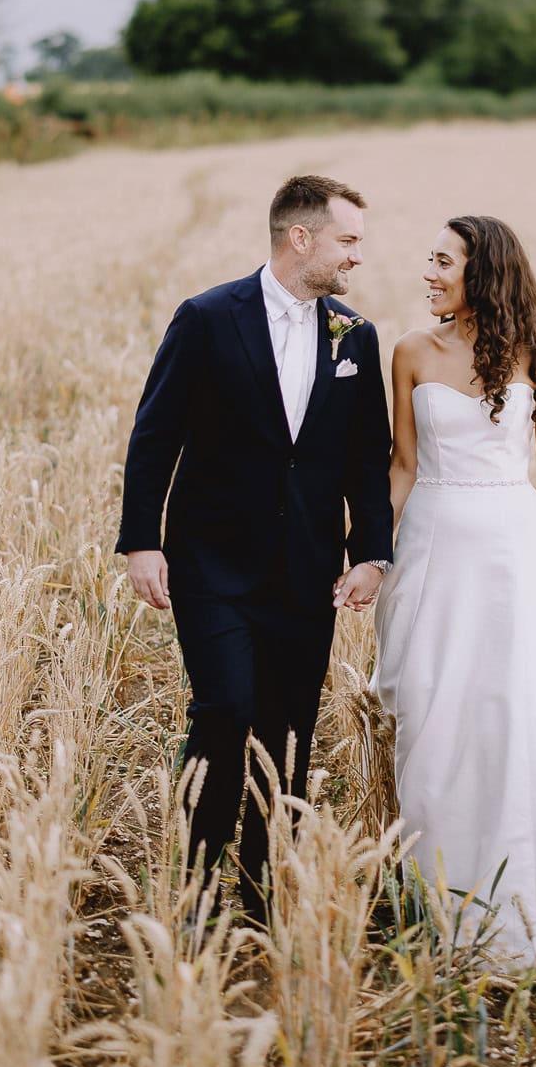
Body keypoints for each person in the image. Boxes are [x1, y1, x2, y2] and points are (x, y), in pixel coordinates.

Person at [117, 175, 393, 919]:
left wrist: (370, 551)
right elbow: (155, 435)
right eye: (349, 240)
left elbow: (369, 457)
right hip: (211, 563)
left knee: (291, 731)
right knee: (225, 709)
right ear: (299, 237)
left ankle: (264, 887)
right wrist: (142, 541)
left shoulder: (354, 336)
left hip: (308, 569)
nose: (357, 257)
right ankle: (200, 888)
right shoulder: (208, 318)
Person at [369, 214, 536, 969]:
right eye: (428, 259)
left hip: (513, 556)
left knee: (510, 723)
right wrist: (369, 556)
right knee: (431, 718)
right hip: (432, 548)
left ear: (483, 272)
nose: (427, 272)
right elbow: (400, 465)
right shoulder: (407, 351)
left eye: (442, 261)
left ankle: (518, 924)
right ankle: (439, 914)